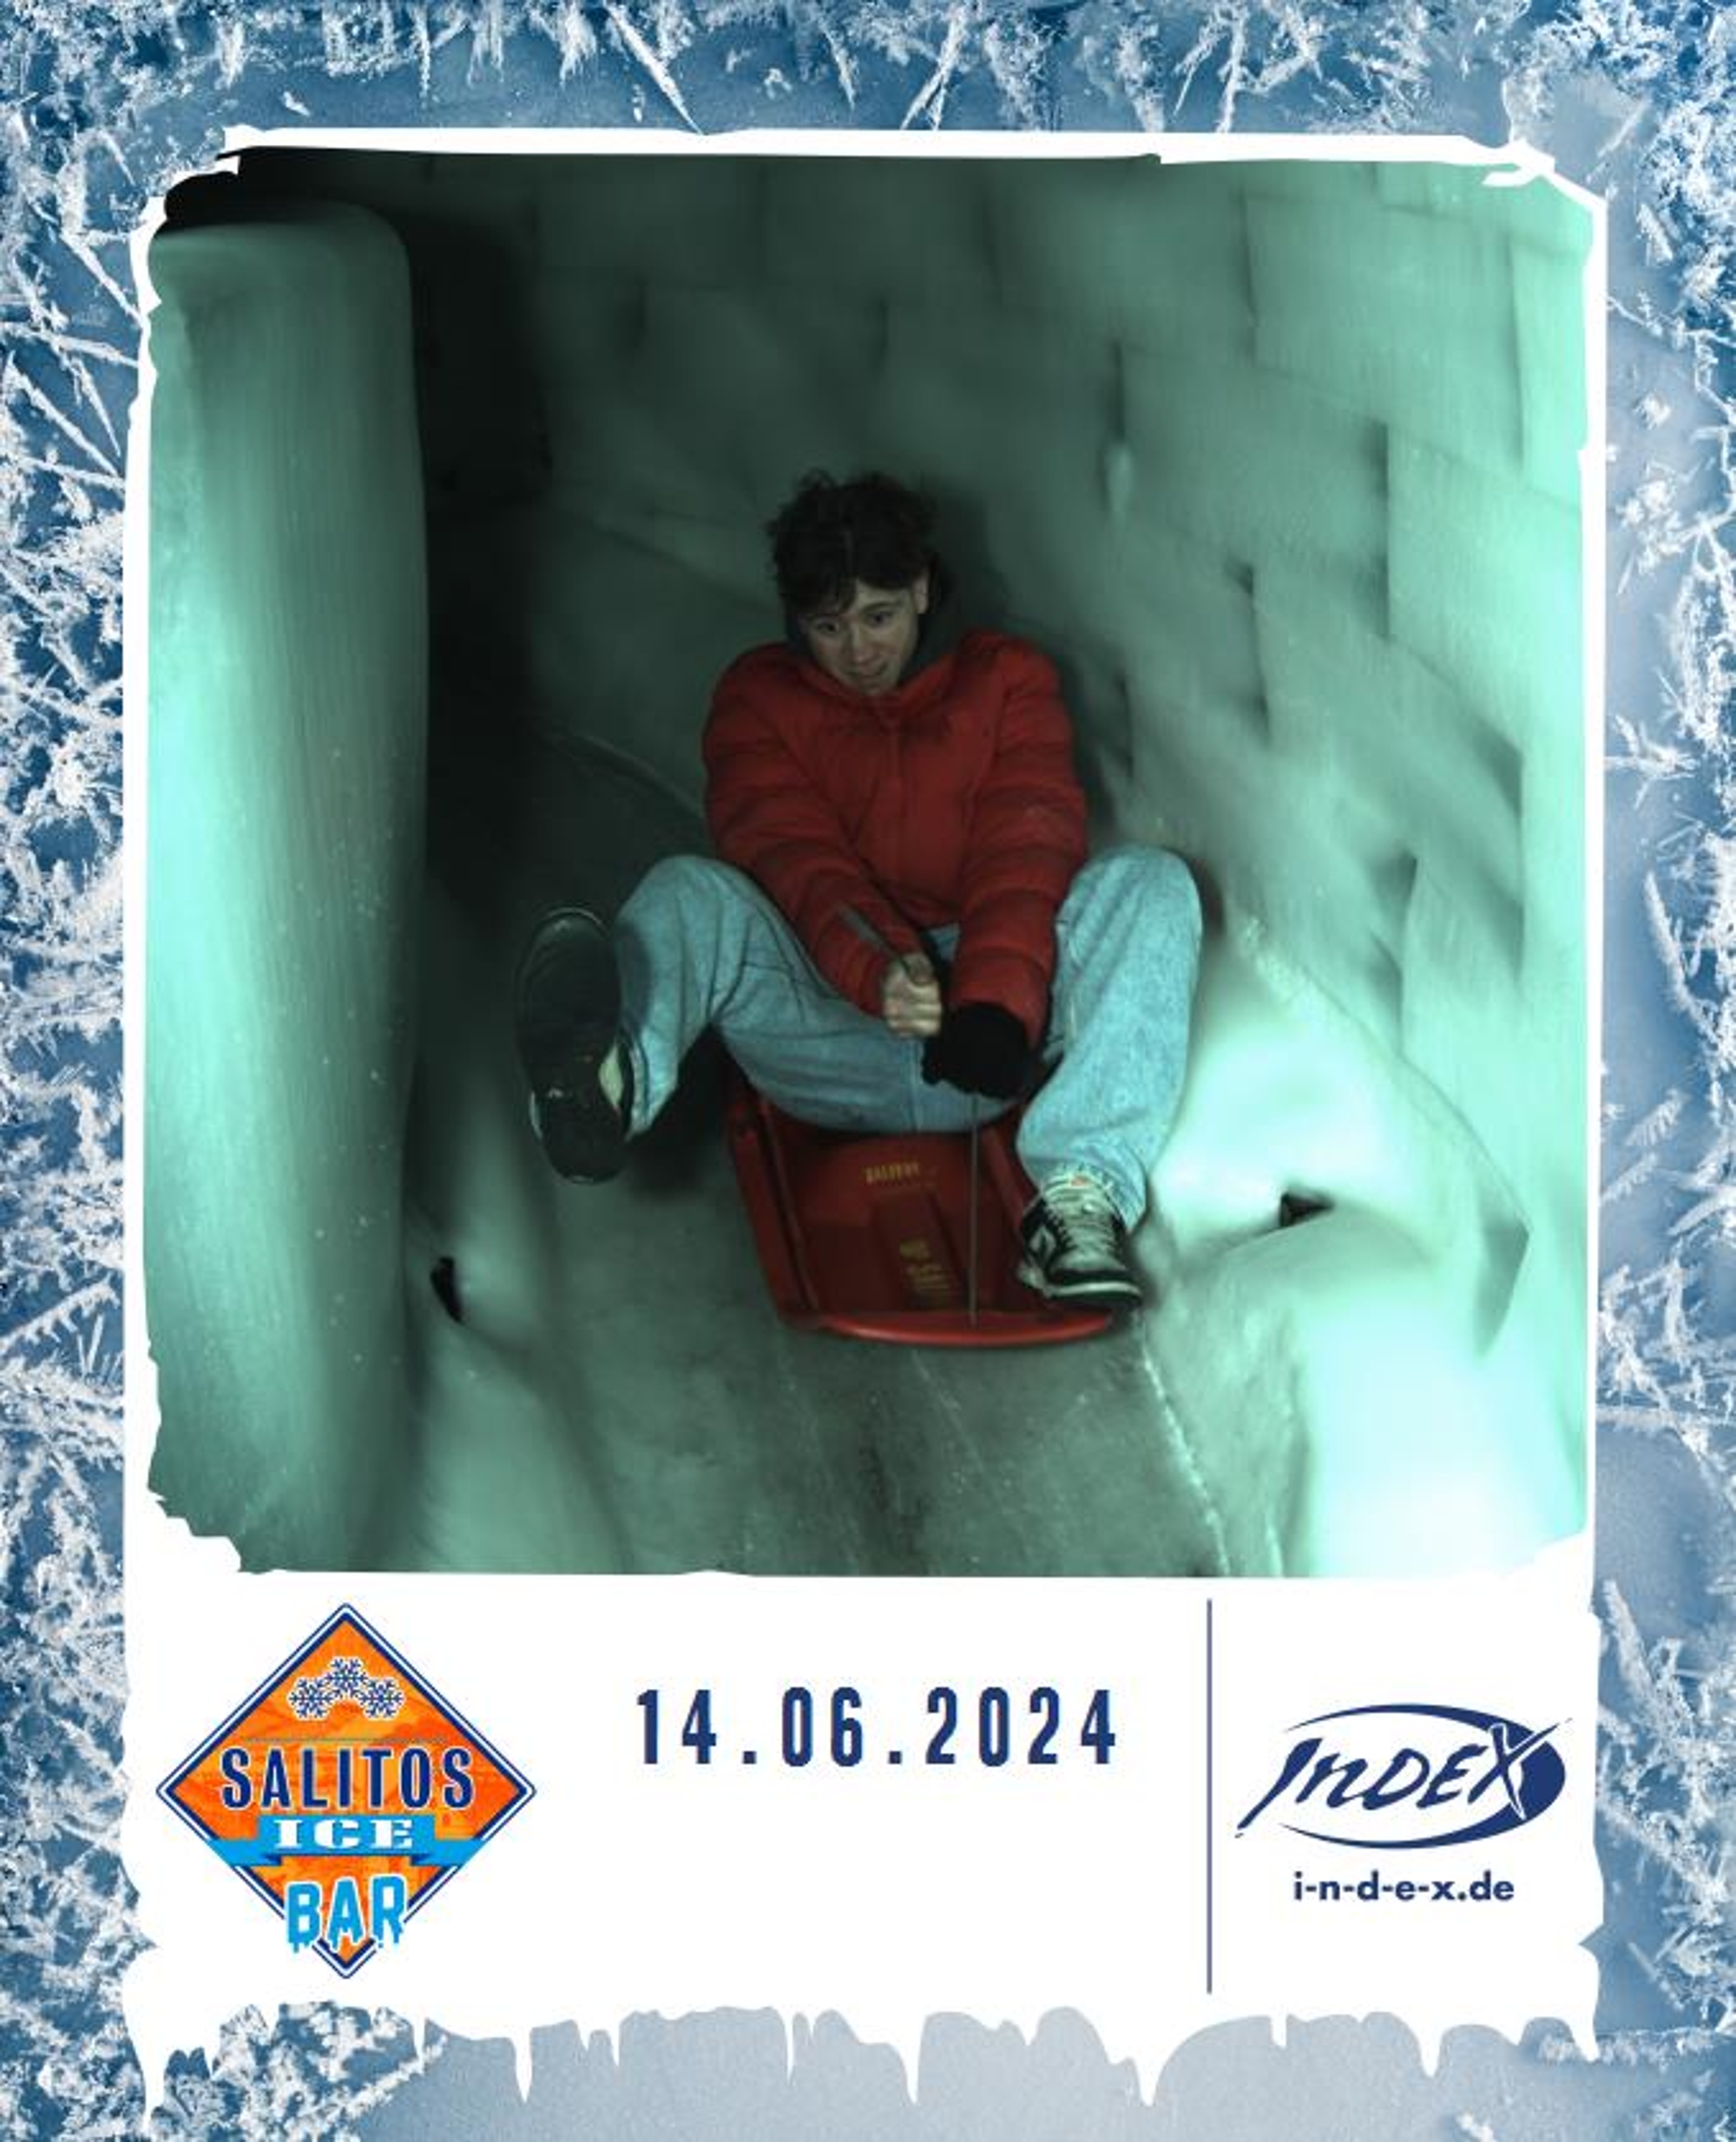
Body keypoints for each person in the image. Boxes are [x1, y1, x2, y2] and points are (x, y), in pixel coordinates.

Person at [515, 471, 1201, 1308]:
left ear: (922, 590)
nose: (858, 653)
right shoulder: (759, 700)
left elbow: (1022, 848)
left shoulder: (1007, 681)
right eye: (829, 627)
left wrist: (993, 1005)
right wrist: (881, 970)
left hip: (991, 1038)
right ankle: (607, 1082)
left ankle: (1079, 1199)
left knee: (1151, 885)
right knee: (691, 890)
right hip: (827, 1026)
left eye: (879, 617)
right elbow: (795, 857)